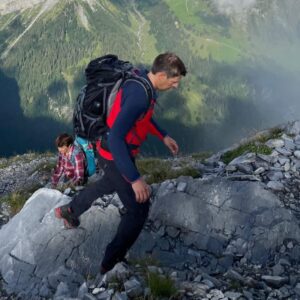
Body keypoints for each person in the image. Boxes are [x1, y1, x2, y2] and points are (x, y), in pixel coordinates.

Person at [55, 52, 187, 277]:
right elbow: (117, 137)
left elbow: (141, 117)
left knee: (108, 184)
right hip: (114, 153)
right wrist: (135, 179)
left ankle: (69, 210)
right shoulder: (140, 95)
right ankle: (110, 262)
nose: (175, 86)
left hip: (115, 151)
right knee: (139, 208)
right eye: (174, 82)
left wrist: (163, 135)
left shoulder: (142, 82)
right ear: (162, 75)